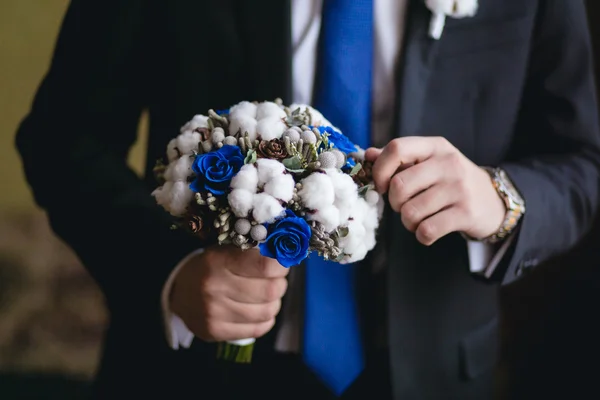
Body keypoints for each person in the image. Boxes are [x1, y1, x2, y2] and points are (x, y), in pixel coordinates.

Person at [15, 0, 600, 399]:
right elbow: (63, 139)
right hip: (188, 368)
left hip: (433, 371)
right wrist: (170, 274)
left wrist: (501, 199)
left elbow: (581, 162)